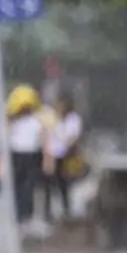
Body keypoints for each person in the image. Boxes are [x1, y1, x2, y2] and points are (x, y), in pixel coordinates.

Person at [5, 84, 50, 232]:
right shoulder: (18, 122)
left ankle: (24, 217)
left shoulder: (35, 121)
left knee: (26, 187)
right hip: (20, 155)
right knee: (21, 187)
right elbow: (7, 137)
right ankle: (21, 217)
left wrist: (46, 157)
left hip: (28, 155)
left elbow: (43, 140)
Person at [44, 93, 84, 222]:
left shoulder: (73, 119)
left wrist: (66, 147)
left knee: (64, 183)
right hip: (52, 154)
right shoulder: (51, 117)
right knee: (49, 185)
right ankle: (47, 212)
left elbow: (73, 137)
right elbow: (46, 134)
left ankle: (67, 210)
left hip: (66, 154)